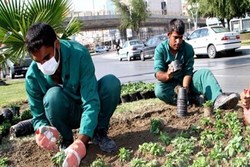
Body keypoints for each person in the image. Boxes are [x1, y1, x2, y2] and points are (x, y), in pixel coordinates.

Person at [25, 22, 121, 166]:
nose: (43, 65)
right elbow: (38, 116)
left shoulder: (79, 54)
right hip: (66, 115)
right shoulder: (32, 76)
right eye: (38, 61)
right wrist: (42, 130)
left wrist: (81, 142)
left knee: (111, 84)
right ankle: (67, 139)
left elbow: (90, 101)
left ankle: (98, 132)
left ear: (56, 44)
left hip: (89, 110)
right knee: (52, 96)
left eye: (46, 58)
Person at [154, 18, 239, 110]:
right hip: (171, 85)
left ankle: (218, 100)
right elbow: (158, 74)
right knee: (159, 90)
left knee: (204, 74)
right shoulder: (160, 49)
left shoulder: (188, 48)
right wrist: (167, 75)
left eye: (181, 37)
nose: (178, 41)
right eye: (175, 37)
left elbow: (188, 72)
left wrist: (185, 88)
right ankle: (190, 99)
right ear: (169, 35)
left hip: (187, 82)